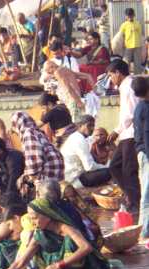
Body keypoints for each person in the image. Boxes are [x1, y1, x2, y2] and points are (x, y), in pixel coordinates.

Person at [0, 197, 111, 269]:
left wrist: (58, 265)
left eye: (35, 218)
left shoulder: (65, 228)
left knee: (70, 242)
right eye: (30, 218)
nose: (33, 222)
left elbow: (86, 247)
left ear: (47, 215)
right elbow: (20, 262)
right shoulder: (39, 234)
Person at [106, 59, 141, 212]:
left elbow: (130, 113)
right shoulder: (128, 84)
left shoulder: (127, 86)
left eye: (111, 75)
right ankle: (131, 197)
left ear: (118, 73)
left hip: (131, 134)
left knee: (128, 170)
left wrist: (116, 130)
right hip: (127, 134)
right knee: (115, 166)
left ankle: (135, 204)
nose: (111, 79)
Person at [11, 111, 64, 184]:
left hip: (48, 173)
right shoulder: (37, 131)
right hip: (56, 169)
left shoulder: (28, 133)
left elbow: (34, 160)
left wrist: (29, 177)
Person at [60, 115, 111, 188]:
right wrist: (107, 166)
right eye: (89, 126)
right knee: (108, 172)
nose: (92, 128)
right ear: (80, 126)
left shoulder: (77, 137)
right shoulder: (79, 139)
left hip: (74, 175)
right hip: (73, 180)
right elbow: (89, 167)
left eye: (93, 125)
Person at [132, 77, 149, 240]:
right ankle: (144, 232)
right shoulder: (144, 108)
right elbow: (146, 134)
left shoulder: (141, 107)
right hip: (146, 153)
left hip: (143, 152)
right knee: (147, 193)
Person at [120, 8, 143, 74]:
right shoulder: (124, 25)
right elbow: (121, 35)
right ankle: (125, 75)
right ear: (126, 16)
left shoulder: (138, 23)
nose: (130, 17)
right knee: (126, 62)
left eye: (131, 15)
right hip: (128, 46)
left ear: (134, 15)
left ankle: (137, 77)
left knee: (138, 63)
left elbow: (140, 35)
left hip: (137, 45)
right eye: (128, 15)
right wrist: (122, 44)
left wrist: (142, 45)